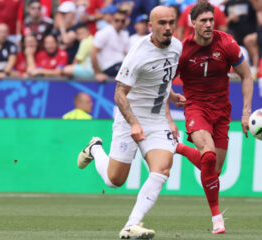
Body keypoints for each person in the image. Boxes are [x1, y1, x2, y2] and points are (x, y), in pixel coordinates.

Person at [77, 6, 185, 239]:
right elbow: (119, 94)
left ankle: (131, 225)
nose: (167, 28)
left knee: (162, 169)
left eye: (171, 23)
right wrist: (134, 124)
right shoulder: (138, 54)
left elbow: (162, 79)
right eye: (162, 23)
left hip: (156, 120)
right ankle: (95, 148)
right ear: (151, 26)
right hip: (130, 119)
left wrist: (172, 95)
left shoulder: (177, 46)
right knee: (115, 180)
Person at [175, 1, 253, 234]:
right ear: (193, 23)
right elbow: (163, 81)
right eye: (204, 21)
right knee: (207, 155)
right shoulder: (182, 50)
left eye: (211, 20)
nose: (209, 25)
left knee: (214, 170)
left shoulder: (227, 43)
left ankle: (176, 147)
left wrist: (246, 112)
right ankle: (217, 217)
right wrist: (169, 105)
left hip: (221, 111)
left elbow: (247, 76)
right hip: (196, 108)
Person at [90, 10, 130, 82]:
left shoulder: (125, 34)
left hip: (121, 67)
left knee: (134, 68)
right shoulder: (104, 32)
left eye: (122, 21)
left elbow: (127, 54)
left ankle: (120, 79)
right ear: (112, 19)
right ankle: (121, 79)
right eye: (117, 20)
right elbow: (92, 52)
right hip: (109, 67)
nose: (119, 23)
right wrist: (97, 73)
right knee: (128, 71)